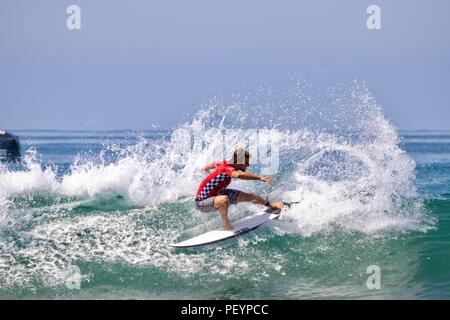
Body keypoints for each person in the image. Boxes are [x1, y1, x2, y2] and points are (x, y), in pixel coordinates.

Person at [195, 149, 284, 230]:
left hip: (218, 193)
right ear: (238, 161)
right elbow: (238, 175)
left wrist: (204, 170)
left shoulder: (224, 163)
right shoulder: (226, 168)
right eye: (246, 162)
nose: (248, 164)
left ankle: (271, 206)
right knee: (224, 199)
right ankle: (226, 225)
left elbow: (212, 164)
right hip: (203, 202)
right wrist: (259, 177)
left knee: (251, 197)